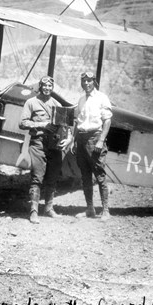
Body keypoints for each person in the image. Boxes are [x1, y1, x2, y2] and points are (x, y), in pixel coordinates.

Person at [19, 76, 71, 224]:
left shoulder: (57, 104)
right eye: (45, 85)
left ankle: (48, 209)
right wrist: (42, 125)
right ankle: (34, 212)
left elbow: (67, 128)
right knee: (37, 178)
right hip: (38, 143)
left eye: (50, 86)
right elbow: (22, 123)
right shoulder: (31, 102)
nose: (47, 88)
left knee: (53, 178)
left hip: (54, 145)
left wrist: (68, 139)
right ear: (40, 86)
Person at [72, 71, 113, 220]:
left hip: (95, 138)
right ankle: (90, 209)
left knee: (99, 175)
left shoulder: (102, 98)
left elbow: (107, 121)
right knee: (85, 176)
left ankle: (106, 211)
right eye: (84, 81)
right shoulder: (81, 99)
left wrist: (101, 140)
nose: (87, 83)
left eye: (89, 81)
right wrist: (73, 140)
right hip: (81, 139)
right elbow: (78, 123)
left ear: (94, 82)